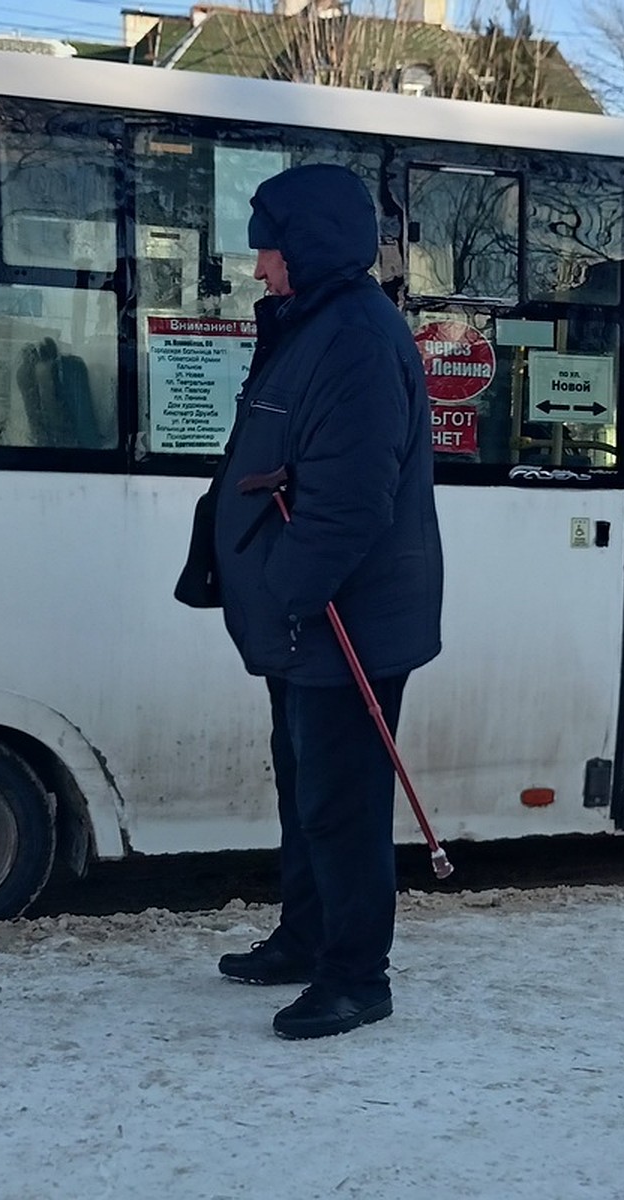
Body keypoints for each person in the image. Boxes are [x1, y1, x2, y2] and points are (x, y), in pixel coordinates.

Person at [180, 163, 443, 1040]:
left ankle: (356, 975)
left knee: (342, 803)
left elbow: (351, 501)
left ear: (310, 246)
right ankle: (305, 938)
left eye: (268, 250)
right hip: (304, 623)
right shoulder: (312, 325)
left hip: (343, 623)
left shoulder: (358, 340)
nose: (258, 269)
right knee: (303, 791)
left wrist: (287, 593)